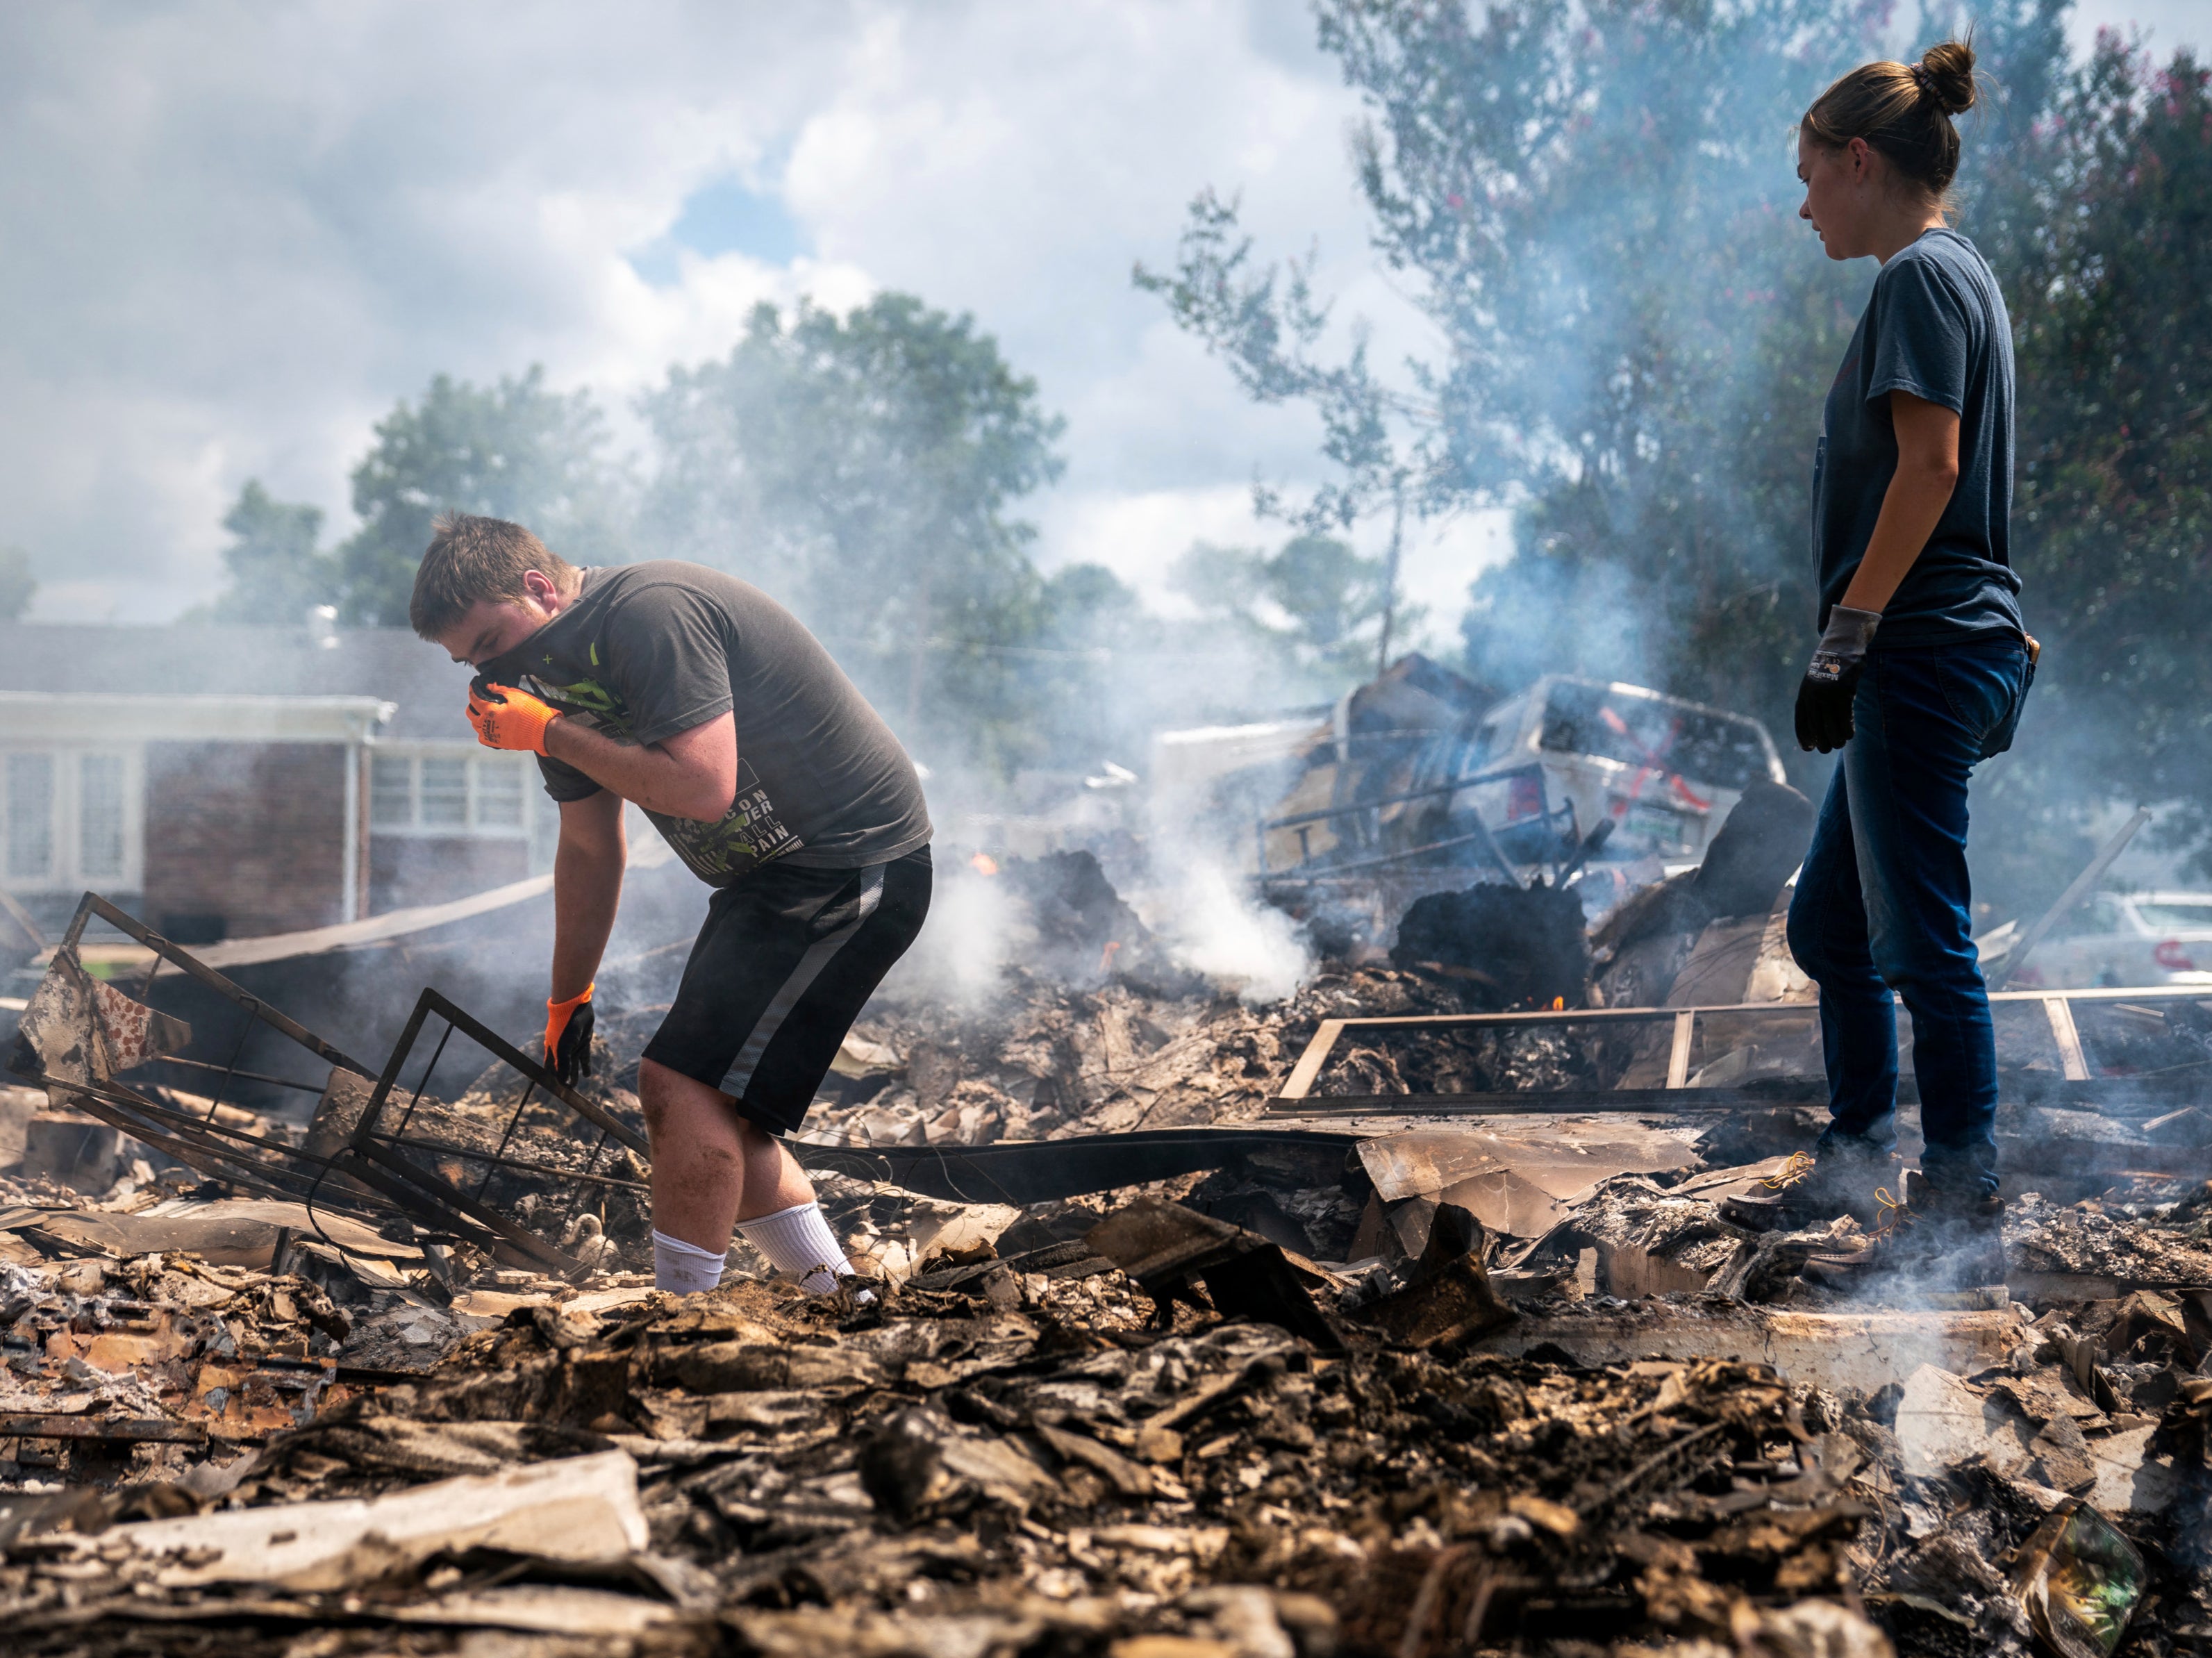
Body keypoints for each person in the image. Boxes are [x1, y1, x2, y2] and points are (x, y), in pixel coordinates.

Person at [407, 515, 933, 1296]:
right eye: (467, 661)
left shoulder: (648, 612)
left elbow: (702, 788)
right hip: (766, 882)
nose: (486, 671)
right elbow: (589, 847)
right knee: (715, 1118)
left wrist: (549, 733)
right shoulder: (549, 685)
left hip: (848, 862)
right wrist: (568, 995)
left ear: (539, 589)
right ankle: (841, 1300)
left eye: (488, 642)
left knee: (676, 1086)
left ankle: (678, 1312)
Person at [1736, 39, 2035, 1284]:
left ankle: (1962, 1186)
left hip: (1918, 651)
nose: (1803, 203)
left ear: (1860, 160)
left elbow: (1930, 470)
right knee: (1829, 926)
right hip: (1935, 650)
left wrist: (1844, 641)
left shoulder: (1918, 278)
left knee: (1921, 938)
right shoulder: (1959, 274)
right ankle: (1857, 1149)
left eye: (1810, 174)